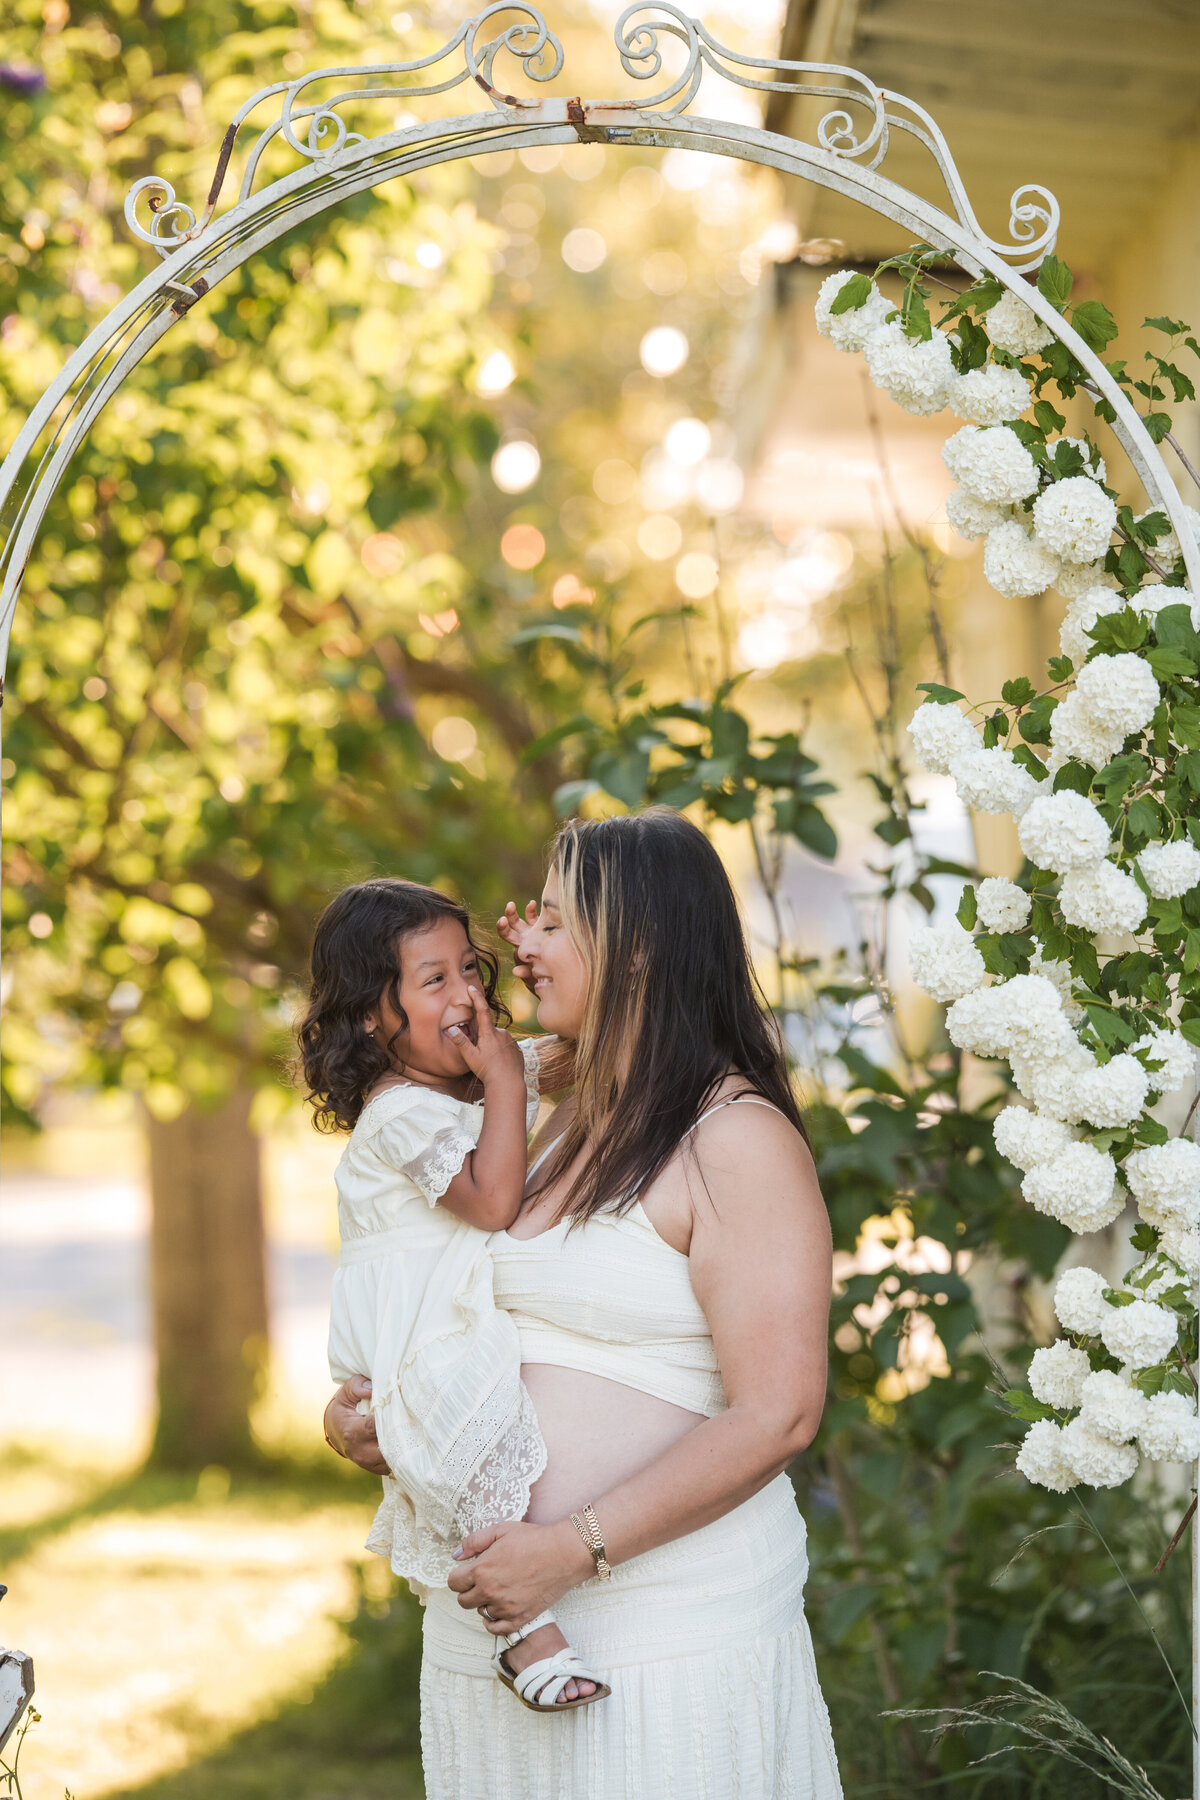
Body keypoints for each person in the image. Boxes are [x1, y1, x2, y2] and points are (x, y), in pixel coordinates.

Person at [325, 812, 843, 1799]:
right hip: (493, 1638)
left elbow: (780, 1413)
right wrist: (372, 1410)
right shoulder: (551, 1122)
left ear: (637, 947)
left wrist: (572, 1549)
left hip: (667, 1645)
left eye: (554, 923)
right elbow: (446, 1300)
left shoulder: (734, 1140)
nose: (518, 951)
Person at [299, 877, 608, 1710]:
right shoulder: (399, 1111)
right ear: (372, 1013)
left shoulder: (468, 1085)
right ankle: (523, 1634)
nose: (469, 994)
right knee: (470, 1458)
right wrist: (506, 1081)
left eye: (473, 969)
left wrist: (548, 956)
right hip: (416, 1336)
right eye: (435, 981)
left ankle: (521, 1619)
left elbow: (589, 1052)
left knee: (483, 1447)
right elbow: (490, 1200)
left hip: (448, 1316)